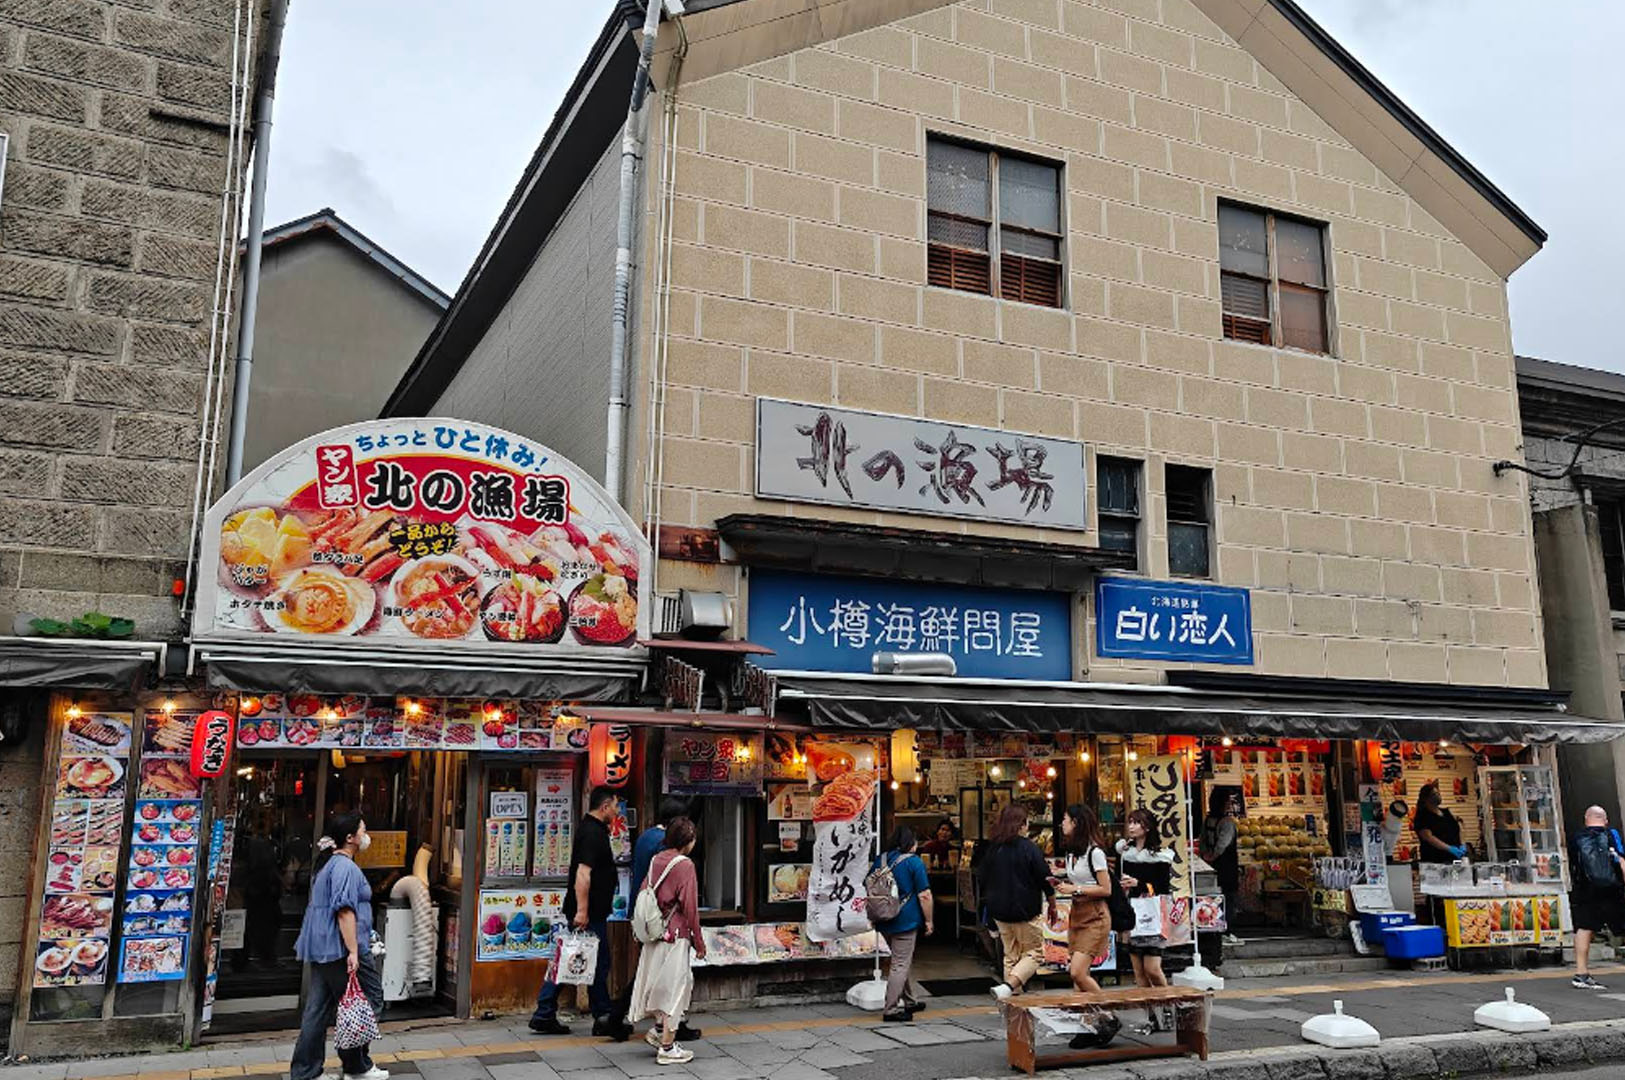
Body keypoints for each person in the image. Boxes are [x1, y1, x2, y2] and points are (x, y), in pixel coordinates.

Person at [289, 812, 387, 1080]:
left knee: (318, 1009)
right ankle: (357, 1066)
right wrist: (354, 950)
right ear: (350, 838)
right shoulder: (344, 867)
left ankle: (306, 1072)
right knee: (367, 1001)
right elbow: (345, 911)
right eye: (363, 831)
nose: (367, 836)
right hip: (340, 947)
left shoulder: (330, 865)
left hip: (323, 945)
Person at [531, 786, 629, 1040]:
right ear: (605, 806)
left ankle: (591, 1015)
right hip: (588, 913)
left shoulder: (594, 830)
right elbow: (583, 875)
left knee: (578, 960)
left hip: (591, 911)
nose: (617, 811)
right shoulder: (592, 833)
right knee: (585, 961)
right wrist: (582, 911)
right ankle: (600, 1015)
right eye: (615, 806)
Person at [627, 817, 707, 1064]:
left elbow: (645, 890)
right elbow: (690, 907)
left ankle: (659, 1031)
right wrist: (699, 941)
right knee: (675, 989)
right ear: (689, 840)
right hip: (675, 935)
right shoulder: (685, 865)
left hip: (656, 933)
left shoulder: (656, 860)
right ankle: (668, 1047)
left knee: (656, 985)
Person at [981, 806, 1056, 1002]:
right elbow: (1044, 877)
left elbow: (983, 878)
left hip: (999, 911)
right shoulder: (1029, 848)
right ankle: (1008, 987)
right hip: (1025, 910)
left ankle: (1013, 1005)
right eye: (1026, 823)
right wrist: (1051, 899)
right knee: (1034, 954)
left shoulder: (993, 848)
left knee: (1011, 955)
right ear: (1022, 825)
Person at [1118, 807, 1175, 1031]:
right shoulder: (1125, 853)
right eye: (1130, 822)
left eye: (1136, 822)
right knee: (1139, 974)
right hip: (1132, 914)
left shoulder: (1159, 855)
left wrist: (1139, 884)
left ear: (1147, 827)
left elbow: (1162, 887)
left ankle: (1168, 1008)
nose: (1131, 826)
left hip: (1152, 914)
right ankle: (1153, 1017)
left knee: (1152, 968)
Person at [871, 825, 934, 1022]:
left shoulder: (880, 859)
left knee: (900, 960)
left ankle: (910, 1000)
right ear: (911, 843)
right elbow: (924, 895)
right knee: (900, 963)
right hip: (905, 920)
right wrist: (929, 921)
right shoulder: (914, 862)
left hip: (883, 917)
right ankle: (890, 1009)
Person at [1569, 806, 1625, 990]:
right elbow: (1621, 861)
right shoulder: (1611, 835)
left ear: (1586, 819)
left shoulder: (1577, 838)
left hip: (1585, 891)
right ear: (1605, 819)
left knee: (1584, 928)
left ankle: (1581, 974)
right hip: (1612, 889)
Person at [1198, 790, 1244, 948]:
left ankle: (1216, 928)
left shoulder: (1208, 820)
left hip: (1211, 864)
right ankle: (1226, 931)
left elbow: (1202, 839)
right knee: (1228, 898)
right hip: (1226, 865)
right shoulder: (1227, 822)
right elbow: (1223, 844)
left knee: (1214, 898)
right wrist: (1215, 855)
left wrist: (1206, 856)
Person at [1412, 783, 1466, 864]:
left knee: (1457, 875)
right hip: (1436, 860)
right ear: (1426, 798)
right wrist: (1449, 849)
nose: (1438, 796)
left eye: (1438, 793)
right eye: (1434, 794)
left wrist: (1463, 844)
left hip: (1454, 859)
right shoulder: (1423, 817)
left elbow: (1458, 827)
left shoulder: (1446, 813)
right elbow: (1428, 837)